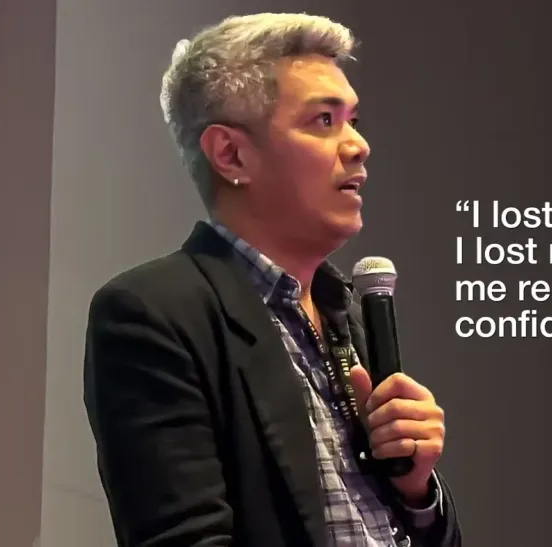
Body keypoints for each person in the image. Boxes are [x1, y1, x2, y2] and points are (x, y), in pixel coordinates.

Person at [82, 14, 460, 547]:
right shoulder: (154, 314)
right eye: (324, 120)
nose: (358, 145)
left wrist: (417, 491)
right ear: (231, 154)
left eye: (353, 120)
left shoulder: (346, 314)